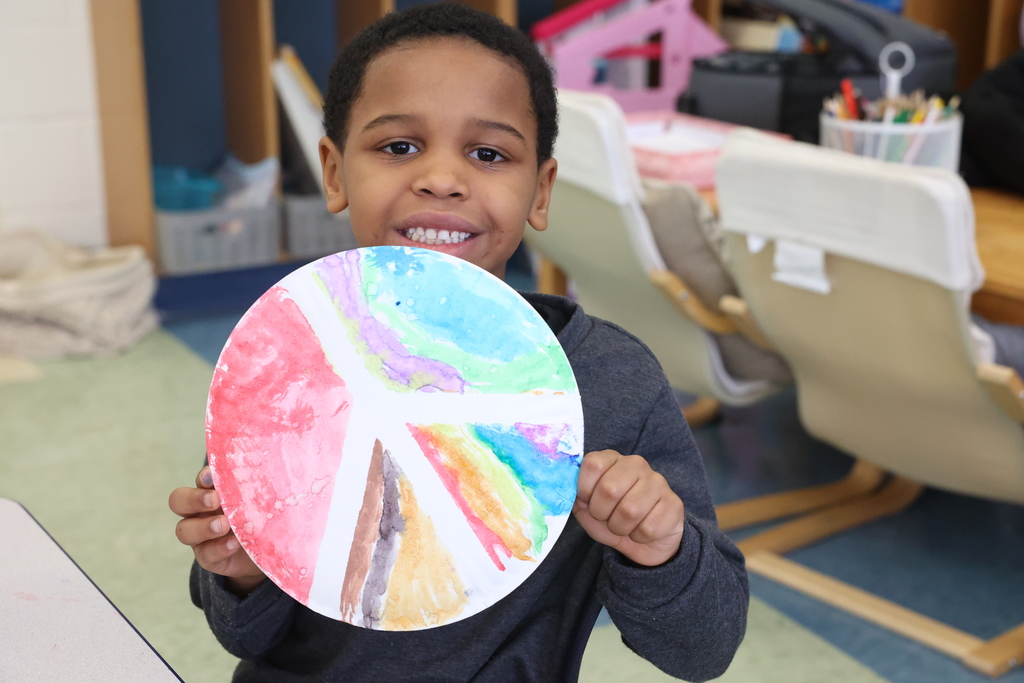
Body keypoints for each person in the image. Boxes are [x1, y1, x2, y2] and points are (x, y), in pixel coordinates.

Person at [169, 4, 748, 681]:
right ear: (334, 173)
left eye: (489, 154)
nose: (442, 178)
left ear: (540, 189)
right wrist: (240, 573)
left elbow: (704, 648)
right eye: (398, 147)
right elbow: (243, 630)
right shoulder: (286, 359)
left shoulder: (612, 382)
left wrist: (661, 548)